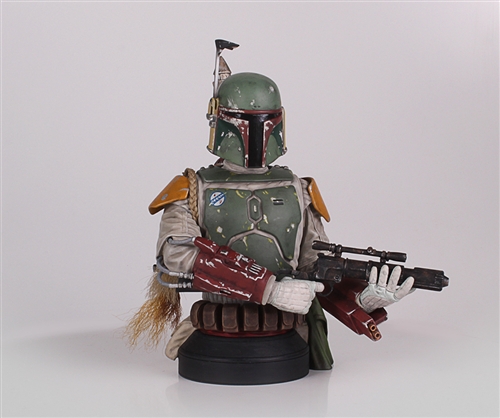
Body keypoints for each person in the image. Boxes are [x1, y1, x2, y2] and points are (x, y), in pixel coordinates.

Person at [127, 46, 414, 385]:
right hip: (215, 329)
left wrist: (362, 297)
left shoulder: (298, 188)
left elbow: (315, 267)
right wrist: (268, 289)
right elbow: (175, 256)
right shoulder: (192, 188)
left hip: (287, 335)